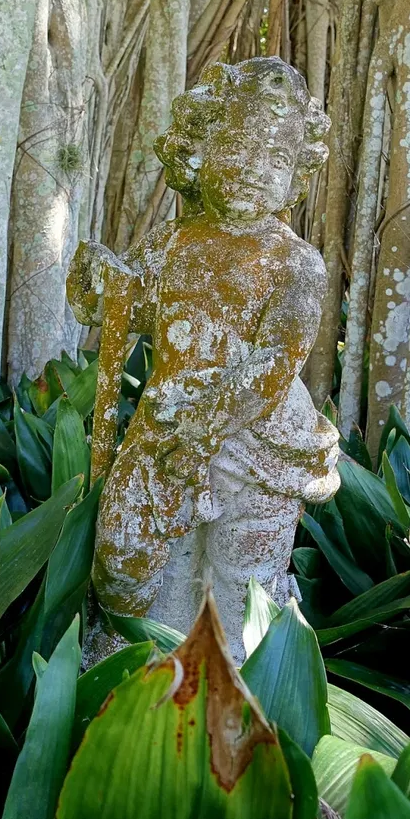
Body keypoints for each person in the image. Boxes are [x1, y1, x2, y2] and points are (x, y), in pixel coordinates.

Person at [67, 57, 342, 662]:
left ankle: (236, 693)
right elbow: (133, 304)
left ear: (297, 175)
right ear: (199, 149)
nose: (253, 172)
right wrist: (106, 282)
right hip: (166, 428)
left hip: (257, 442)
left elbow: (276, 361)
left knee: (241, 580)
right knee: (127, 561)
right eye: (239, 150)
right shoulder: (172, 243)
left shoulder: (296, 264)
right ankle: (129, 671)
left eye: (275, 161)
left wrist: (211, 413)